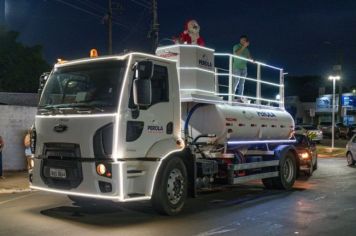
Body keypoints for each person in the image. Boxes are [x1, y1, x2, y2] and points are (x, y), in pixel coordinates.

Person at [232, 35, 252, 100]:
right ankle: (231, 96)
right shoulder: (236, 46)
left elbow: (249, 58)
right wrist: (243, 46)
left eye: (245, 40)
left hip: (244, 68)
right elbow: (237, 53)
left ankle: (239, 98)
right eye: (243, 40)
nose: (244, 41)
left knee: (242, 83)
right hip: (236, 67)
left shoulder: (247, 50)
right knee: (236, 81)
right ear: (240, 40)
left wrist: (253, 60)